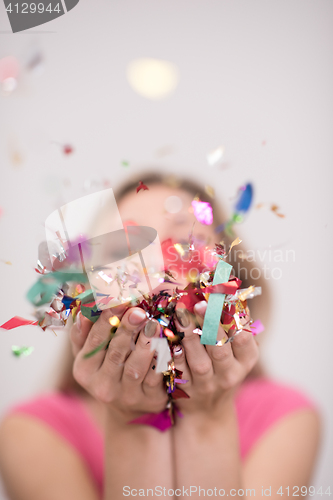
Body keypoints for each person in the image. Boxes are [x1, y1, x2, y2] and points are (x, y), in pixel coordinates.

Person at [0, 172, 321, 500]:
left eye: (183, 238)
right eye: (124, 247)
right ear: (88, 291)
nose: (152, 264)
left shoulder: (283, 415)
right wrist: (133, 418)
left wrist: (207, 416)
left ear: (228, 280)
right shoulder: (33, 431)